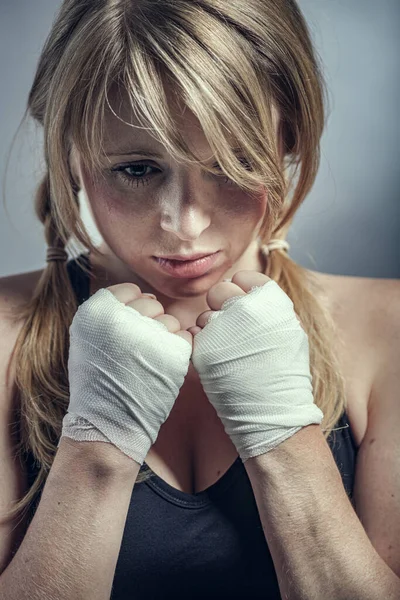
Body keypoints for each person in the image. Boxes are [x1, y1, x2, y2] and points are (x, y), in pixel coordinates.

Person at [0, 0, 399, 598]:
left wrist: (283, 435)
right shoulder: (5, 337)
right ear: (73, 156)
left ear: (287, 139)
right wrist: (96, 448)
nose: (184, 226)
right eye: (136, 169)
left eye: (234, 163)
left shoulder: (389, 331)